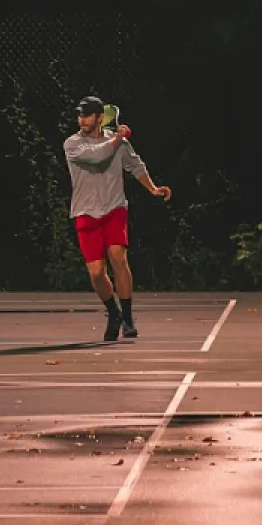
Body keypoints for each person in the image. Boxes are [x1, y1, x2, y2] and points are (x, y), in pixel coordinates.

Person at [63, 96, 172, 341]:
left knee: (118, 257)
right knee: (96, 273)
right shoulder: (72, 144)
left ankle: (129, 318)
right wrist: (118, 137)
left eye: (87, 115)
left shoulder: (119, 144)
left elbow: (136, 166)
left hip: (114, 209)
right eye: (79, 115)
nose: (82, 120)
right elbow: (97, 157)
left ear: (100, 117)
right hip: (85, 212)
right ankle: (114, 313)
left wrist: (152, 188)